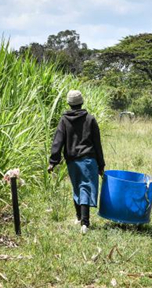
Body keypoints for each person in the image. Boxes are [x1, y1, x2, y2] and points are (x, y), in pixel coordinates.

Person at [48, 89, 105, 234]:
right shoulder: (90, 119)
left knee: (77, 187)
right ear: (82, 102)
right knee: (85, 187)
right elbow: (97, 144)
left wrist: (53, 161)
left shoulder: (64, 120)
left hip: (72, 160)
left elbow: (58, 141)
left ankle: (79, 217)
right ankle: (85, 222)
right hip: (88, 160)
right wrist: (101, 164)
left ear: (69, 103)